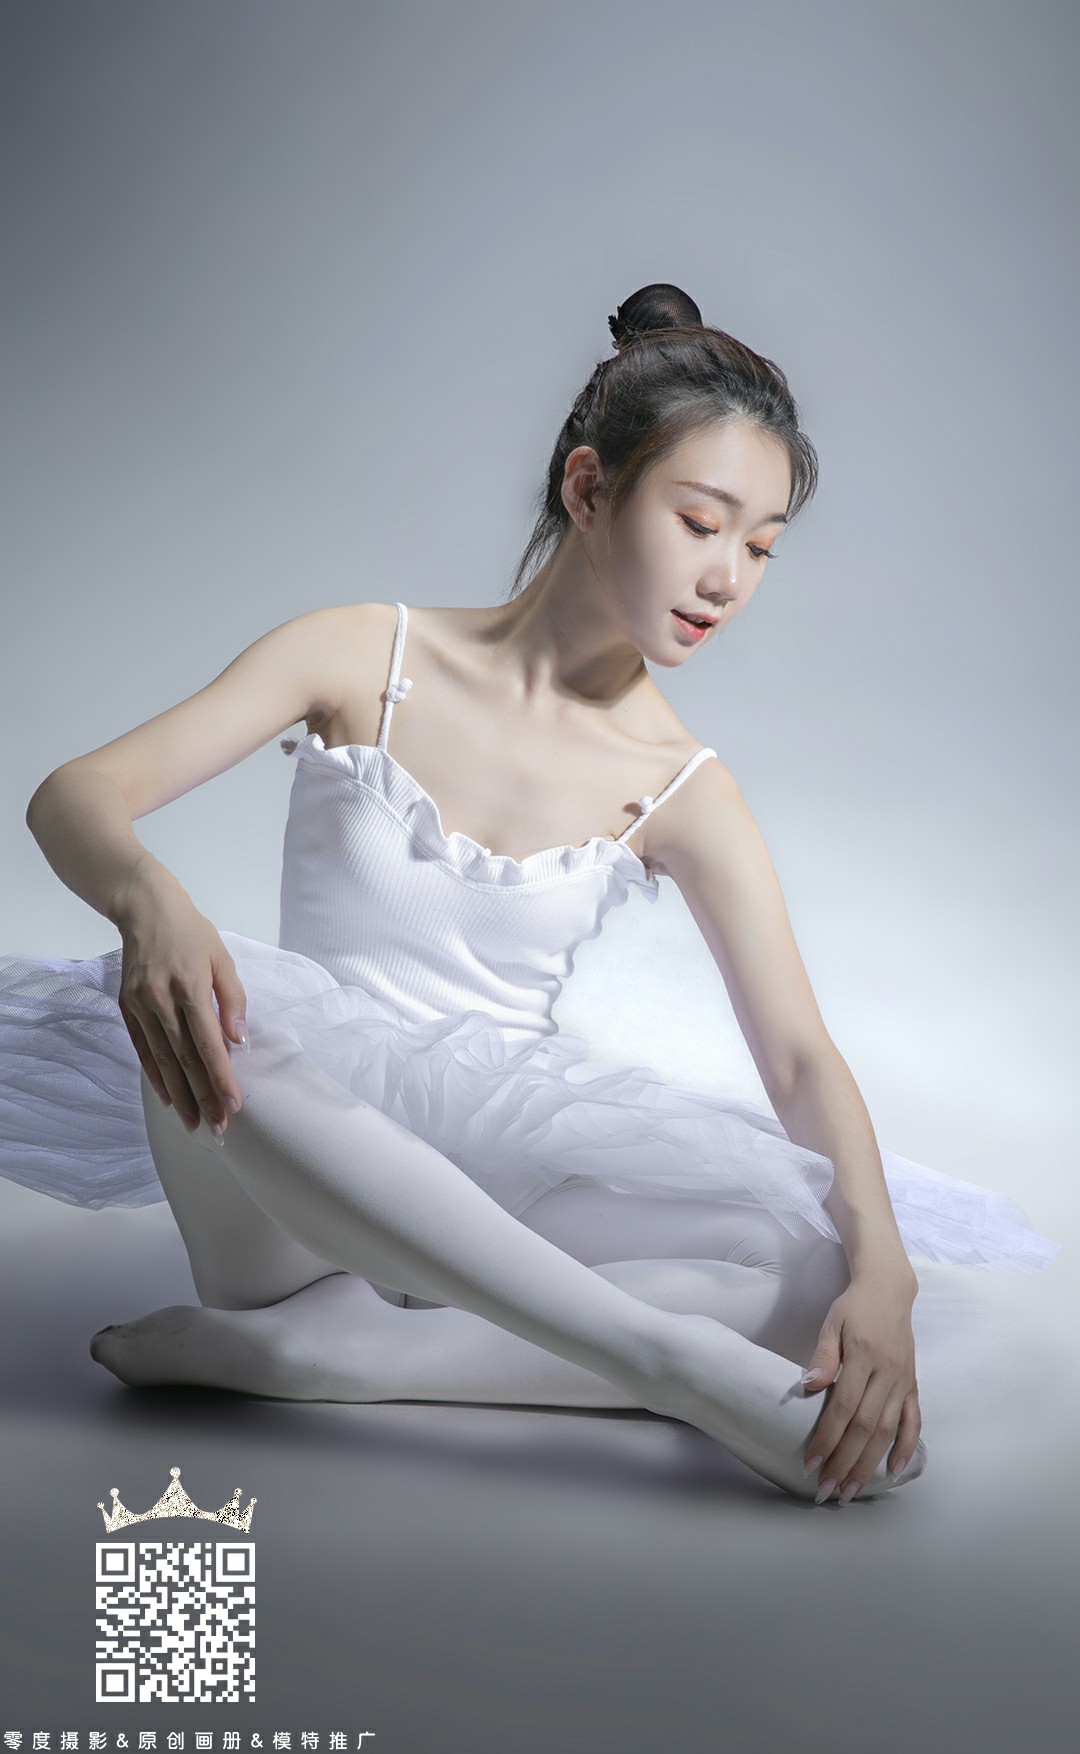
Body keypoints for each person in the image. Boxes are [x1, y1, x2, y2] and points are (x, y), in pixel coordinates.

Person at [0, 283, 1058, 1510]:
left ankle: (330, 1358)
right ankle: (666, 1363)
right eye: (701, 522)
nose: (727, 577)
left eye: (762, 546)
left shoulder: (682, 784)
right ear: (589, 488)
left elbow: (801, 1059)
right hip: (281, 1181)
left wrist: (887, 1272)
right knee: (218, 1014)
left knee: (812, 1268)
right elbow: (76, 793)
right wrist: (148, 900)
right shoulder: (363, 653)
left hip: (491, 1190)